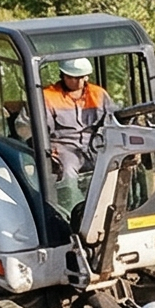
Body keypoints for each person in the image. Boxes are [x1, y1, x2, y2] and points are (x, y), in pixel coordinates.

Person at [41, 57, 113, 208]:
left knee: (113, 165)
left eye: (82, 77)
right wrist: (46, 149)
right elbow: (36, 129)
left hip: (94, 145)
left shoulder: (98, 94)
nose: (79, 81)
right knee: (68, 170)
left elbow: (114, 119)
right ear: (63, 75)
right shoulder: (48, 96)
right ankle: (72, 209)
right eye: (73, 77)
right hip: (64, 146)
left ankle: (108, 206)